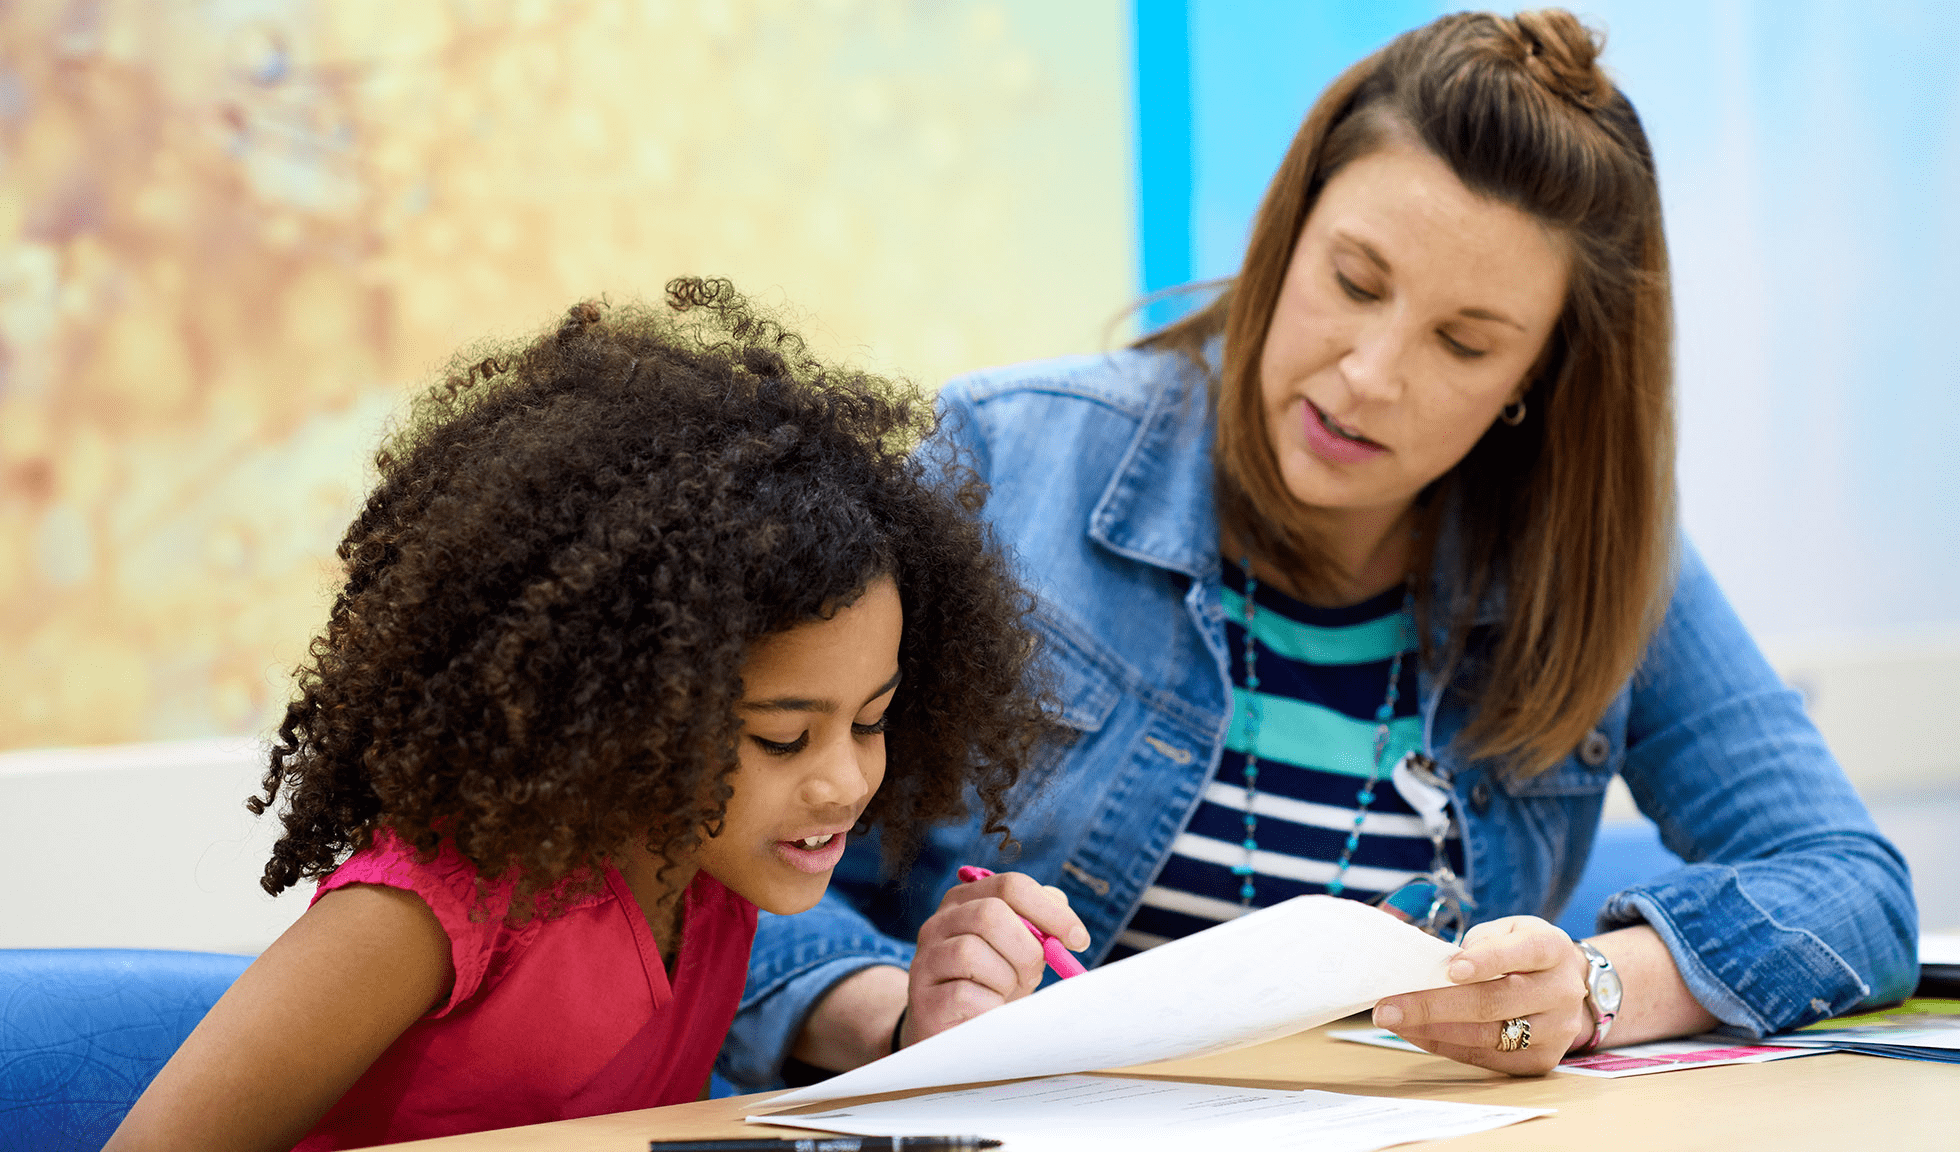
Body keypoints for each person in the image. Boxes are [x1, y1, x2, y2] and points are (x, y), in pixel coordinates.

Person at [721, 9, 1916, 1089]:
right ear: (1286, 234)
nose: (1368, 377)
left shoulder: (1594, 559)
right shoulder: (1003, 458)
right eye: (1353, 281)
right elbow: (692, 854)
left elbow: (1849, 884)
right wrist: (894, 1019)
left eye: (1463, 343)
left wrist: (1596, 992)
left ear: (1534, 382)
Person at [105, 279, 1054, 1151]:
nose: (844, 781)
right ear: (636, 706)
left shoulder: (710, 881)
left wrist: (915, 1024)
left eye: (873, 721)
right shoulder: (427, 915)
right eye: (782, 736)